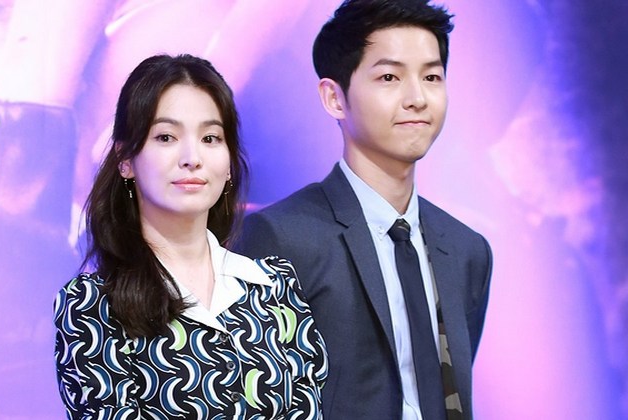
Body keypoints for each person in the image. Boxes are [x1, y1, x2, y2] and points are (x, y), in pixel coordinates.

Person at [234, 1, 492, 419]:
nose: (417, 98)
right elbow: (259, 397)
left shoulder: (467, 250)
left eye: (431, 77)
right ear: (334, 98)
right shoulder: (281, 238)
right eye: (389, 77)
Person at [53, 54, 328, 419]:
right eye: (166, 137)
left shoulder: (276, 287)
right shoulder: (92, 305)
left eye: (210, 138)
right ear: (125, 160)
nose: (192, 157)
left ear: (228, 163)